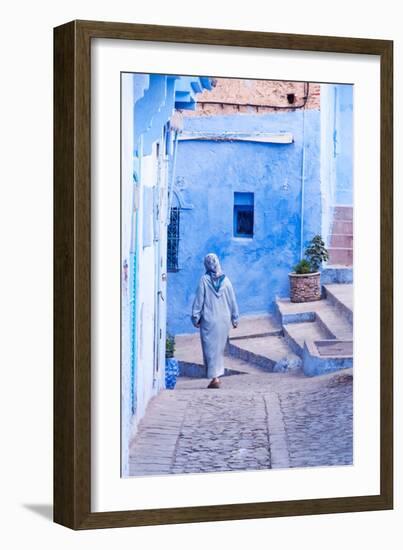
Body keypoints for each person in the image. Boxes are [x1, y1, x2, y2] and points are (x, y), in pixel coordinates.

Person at [191, 253, 239, 389]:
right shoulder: (226, 281)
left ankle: (215, 378)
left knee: (210, 350)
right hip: (223, 320)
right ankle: (216, 377)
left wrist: (195, 317)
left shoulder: (204, 280)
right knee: (218, 350)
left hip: (209, 320)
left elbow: (199, 300)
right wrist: (235, 318)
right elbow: (232, 301)